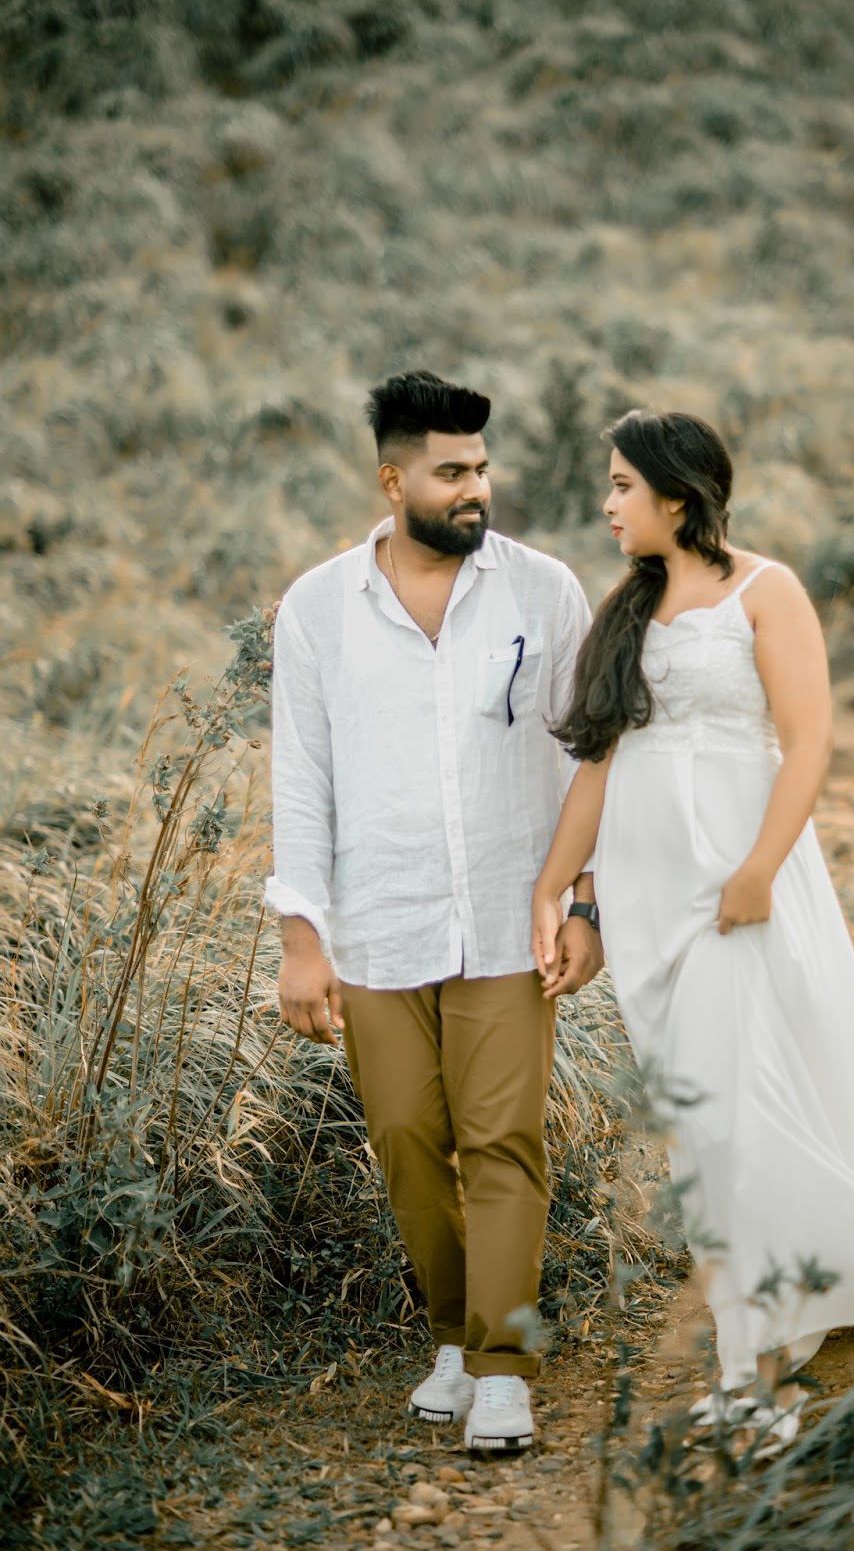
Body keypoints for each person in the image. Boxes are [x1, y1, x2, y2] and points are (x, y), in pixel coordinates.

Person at [531, 407, 854, 1458]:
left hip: (735, 883)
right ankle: (782, 1311)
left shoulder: (766, 589)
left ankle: (756, 1371)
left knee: (742, 1110)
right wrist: (567, 894)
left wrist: (755, 869)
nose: (606, 505)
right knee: (706, 1122)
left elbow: (808, 740)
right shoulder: (627, 610)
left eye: (620, 486)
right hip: (649, 897)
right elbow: (597, 769)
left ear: (675, 493)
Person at [263, 369, 604, 1454]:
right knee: (407, 1137)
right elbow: (299, 780)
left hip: (515, 918)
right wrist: (301, 937)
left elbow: (591, 758)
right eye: (452, 471)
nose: (475, 489)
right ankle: (455, 1336)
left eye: (482, 468)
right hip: (378, 922)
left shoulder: (543, 591)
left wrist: (587, 900)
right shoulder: (318, 608)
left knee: (501, 1139)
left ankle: (503, 1366)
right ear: (393, 475)